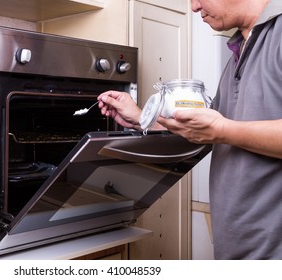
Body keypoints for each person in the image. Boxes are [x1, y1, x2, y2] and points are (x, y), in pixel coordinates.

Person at [97, 0, 282, 259]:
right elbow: (210, 127)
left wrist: (222, 130)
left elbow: (222, 129)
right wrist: (142, 118)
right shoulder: (239, 50)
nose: (194, 7)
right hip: (238, 244)